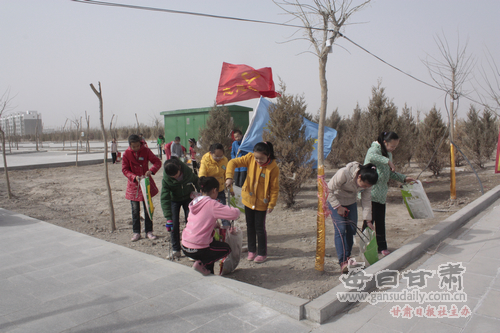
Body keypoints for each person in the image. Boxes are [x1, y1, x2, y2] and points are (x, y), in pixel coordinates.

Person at [225, 142, 279, 263]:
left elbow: (274, 188)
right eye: (256, 157)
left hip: (261, 203)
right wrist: (229, 177)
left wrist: (271, 204)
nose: (258, 160)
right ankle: (251, 250)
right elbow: (232, 162)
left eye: (261, 158)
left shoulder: (273, 167)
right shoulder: (249, 158)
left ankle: (262, 253)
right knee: (250, 226)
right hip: (248, 200)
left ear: (268, 155)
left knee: (259, 228)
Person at [363, 131, 415, 256]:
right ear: (384, 142)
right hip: (371, 192)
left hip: (381, 194)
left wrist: (404, 178)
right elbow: (371, 157)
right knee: (369, 220)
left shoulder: (388, 154)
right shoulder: (374, 149)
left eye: (395, 147)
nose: (393, 149)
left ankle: (382, 246)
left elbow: (390, 173)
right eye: (392, 146)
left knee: (381, 221)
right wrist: (387, 161)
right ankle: (365, 246)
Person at [181, 176, 241, 275]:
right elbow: (234, 214)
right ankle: (200, 264)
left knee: (212, 245)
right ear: (214, 190)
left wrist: (214, 224)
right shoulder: (212, 204)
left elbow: (200, 220)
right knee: (226, 249)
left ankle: (207, 270)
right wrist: (238, 208)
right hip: (198, 248)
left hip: (185, 245)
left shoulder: (195, 202)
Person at [328, 162, 378, 273]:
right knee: (341, 229)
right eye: (364, 185)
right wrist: (338, 207)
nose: (365, 188)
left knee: (351, 229)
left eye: (367, 187)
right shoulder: (344, 174)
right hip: (335, 200)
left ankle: (348, 256)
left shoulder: (367, 184)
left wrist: (368, 219)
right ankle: (343, 261)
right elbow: (328, 190)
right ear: (359, 176)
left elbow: (366, 200)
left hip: (350, 202)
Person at [122, 134, 162, 242]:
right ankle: (136, 232)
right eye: (133, 146)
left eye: (137, 146)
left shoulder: (146, 151)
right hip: (133, 185)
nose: (136, 148)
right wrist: (134, 177)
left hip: (145, 183)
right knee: (135, 210)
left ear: (140, 143)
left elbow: (157, 162)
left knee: (148, 208)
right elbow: (125, 169)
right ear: (130, 145)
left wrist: (151, 170)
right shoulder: (126, 154)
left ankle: (149, 231)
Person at [161, 157, 199, 259]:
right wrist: (168, 217)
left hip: (187, 198)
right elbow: (165, 198)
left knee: (190, 223)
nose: (174, 177)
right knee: (174, 224)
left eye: (176, 174)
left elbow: (197, 181)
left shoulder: (187, 172)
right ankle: (176, 249)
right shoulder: (166, 180)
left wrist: (201, 194)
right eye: (172, 176)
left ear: (179, 168)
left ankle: (190, 249)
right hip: (174, 200)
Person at [199, 143, 233, 228]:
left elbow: (227, 175)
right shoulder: (205, 160)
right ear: (211, 153)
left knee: (223, 212)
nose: (219, 158)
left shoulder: (225, 160)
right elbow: (202, 174)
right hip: (209, 191)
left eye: (220, 156)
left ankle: (226, 231)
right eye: (216, 156)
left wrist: (231, 189)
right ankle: (208, 229)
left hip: (220, 190)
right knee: (208, 213)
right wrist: (202, 186)